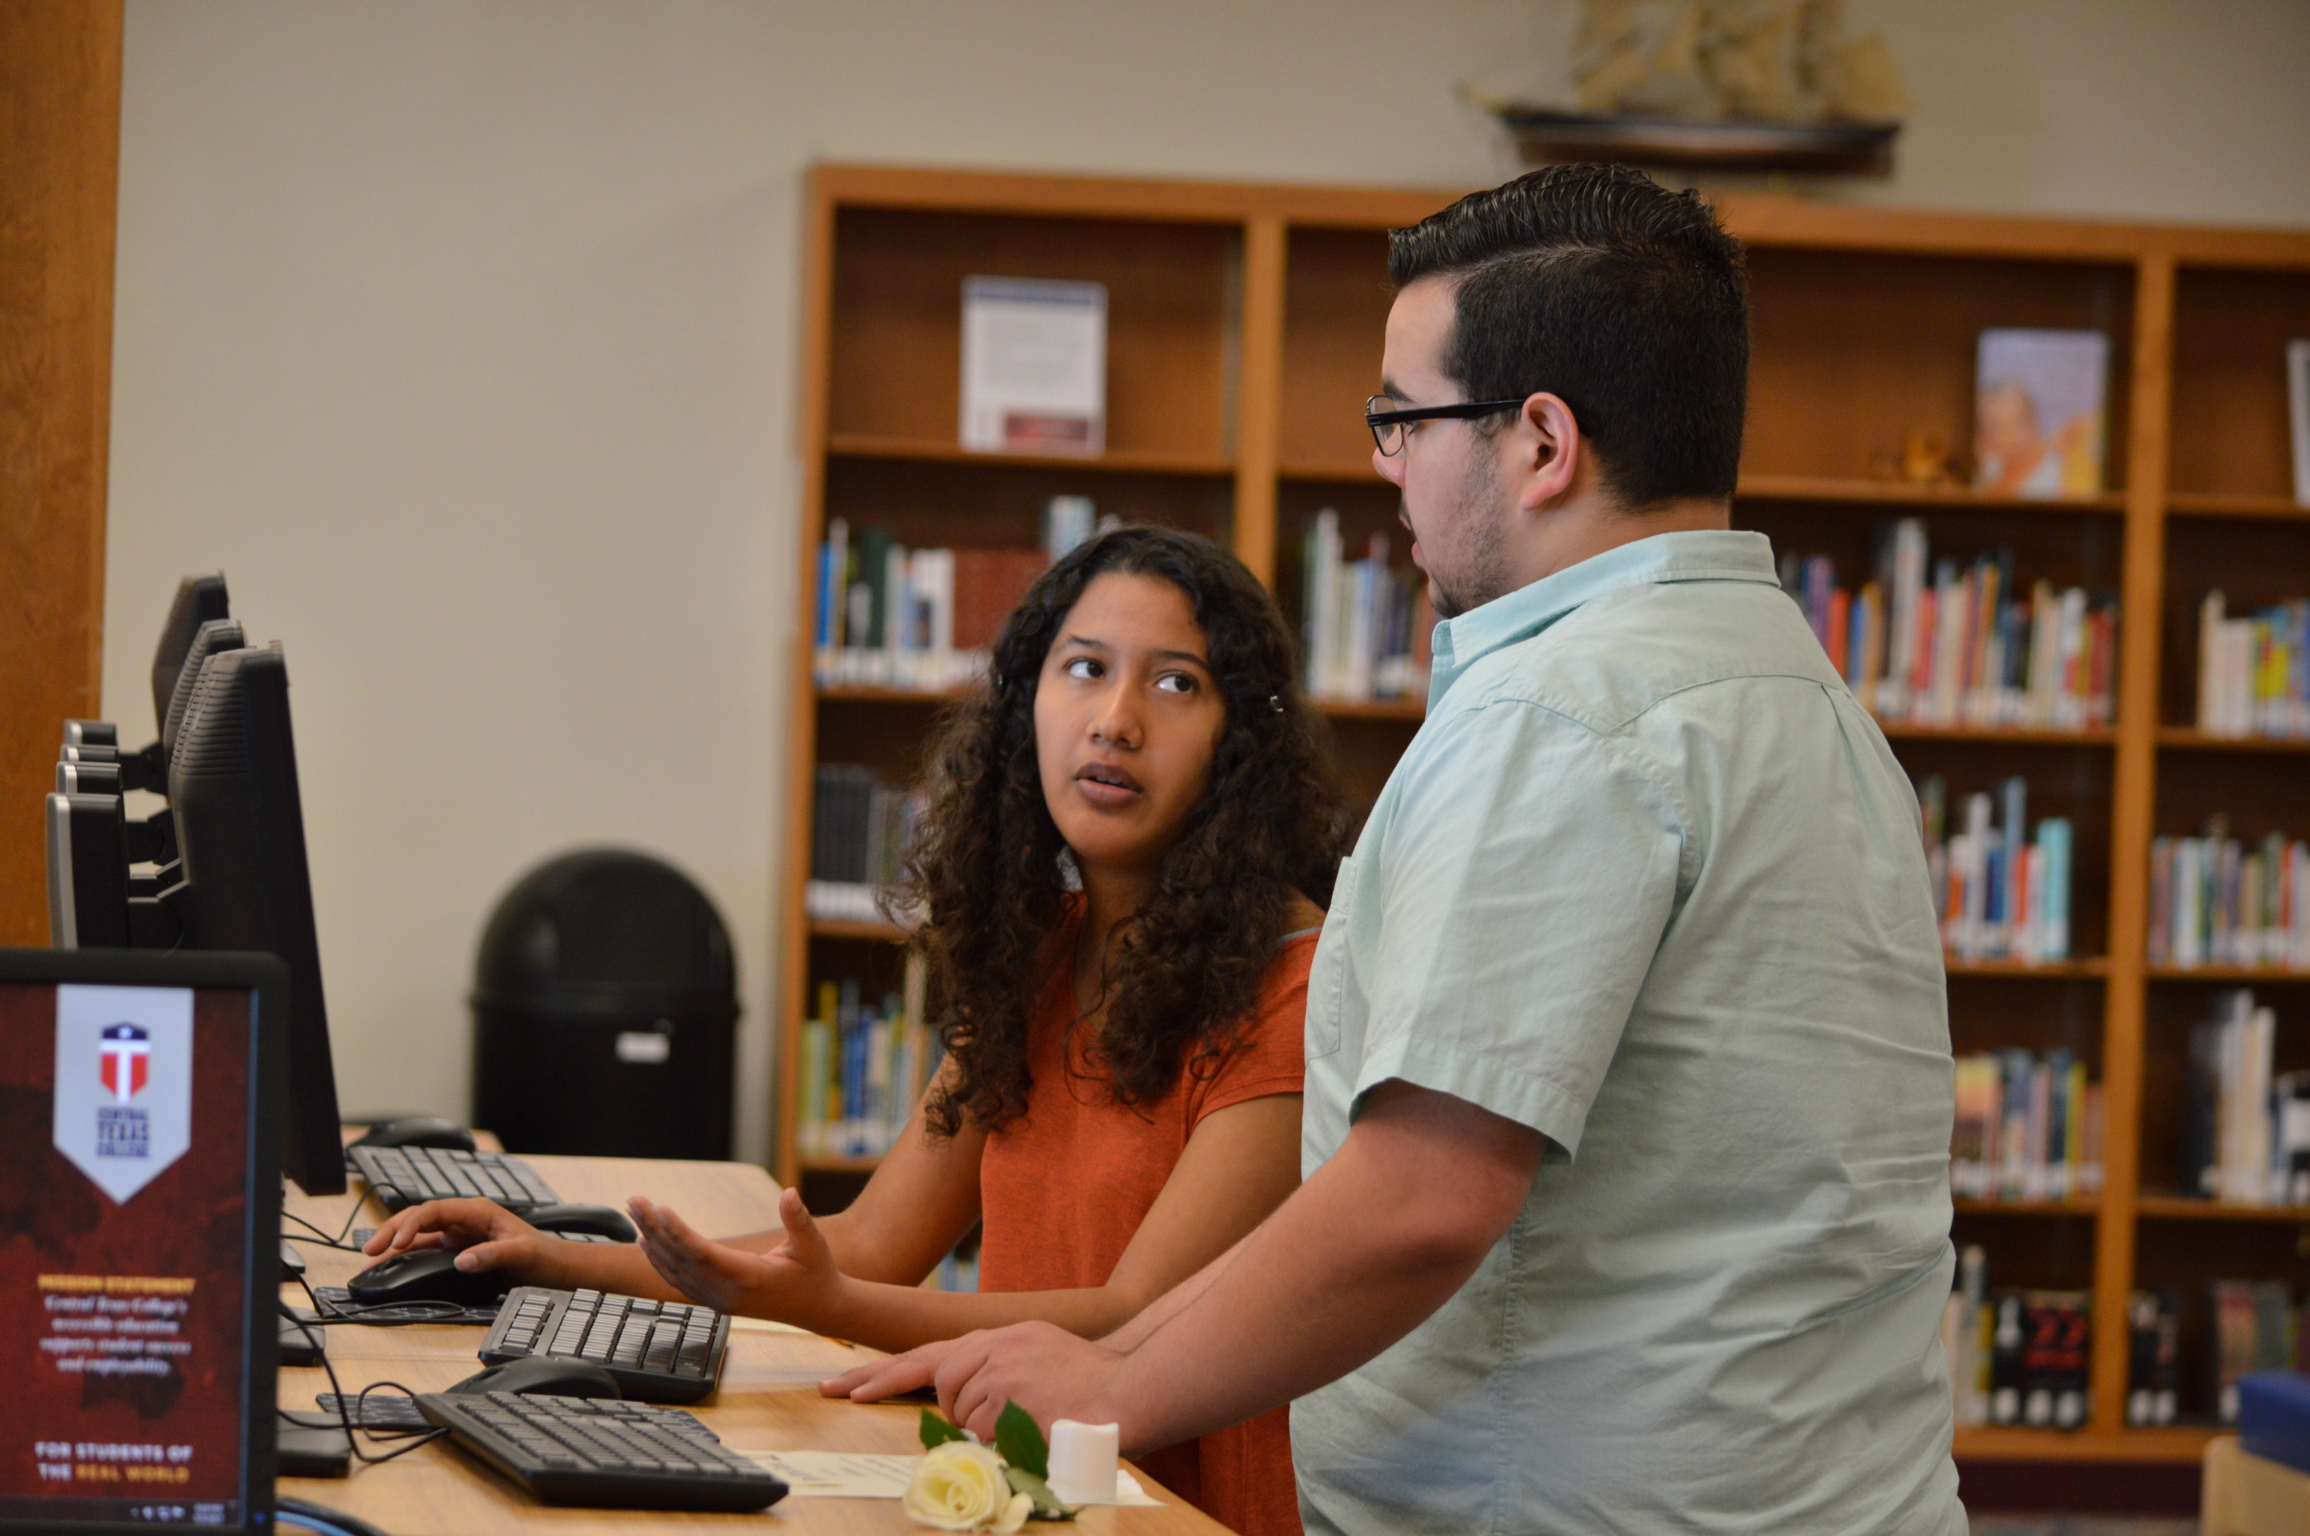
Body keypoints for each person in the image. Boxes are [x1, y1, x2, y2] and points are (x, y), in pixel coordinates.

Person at [827, 164, 1966, 1535]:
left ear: (1540, 442)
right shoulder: (1812, 705)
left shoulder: (1558, 715)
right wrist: (1108, 1352)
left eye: (1402, 419)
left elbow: (1422, 1196)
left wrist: (1107, 1387)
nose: (1386, 467)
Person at [364, 526, 1340, 1536]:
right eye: (1083, 669)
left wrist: (825, 1305)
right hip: (1021, 1485)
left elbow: (1137, 1324)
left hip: (1170, 1512)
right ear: (1026, 709)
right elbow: (874, 1243)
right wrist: (548, 1256)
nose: (1116, 721)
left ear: (1242, 743)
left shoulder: (1291, 984)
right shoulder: (1046, 948)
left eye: (1176, 685)